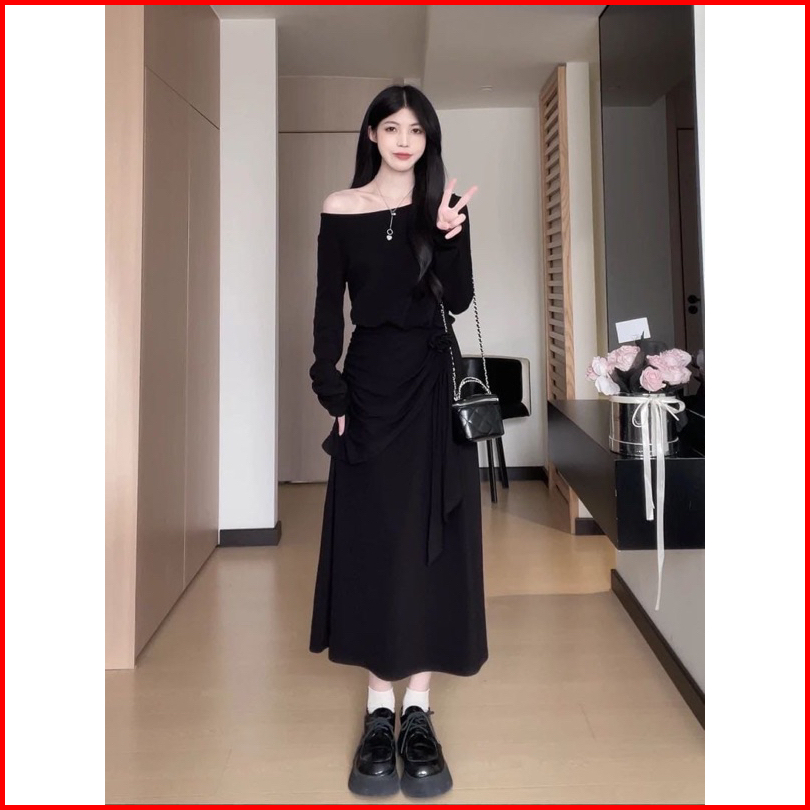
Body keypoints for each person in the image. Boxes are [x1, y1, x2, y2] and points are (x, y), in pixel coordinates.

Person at [307, 84, 488, 798]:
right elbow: (328, 308)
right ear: (373, 136)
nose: (405, 140)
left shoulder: (444, 209)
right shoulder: (340, 208)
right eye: (392, 128)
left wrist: (448, 235)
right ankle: (378, 708)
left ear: (428, 139)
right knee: (376, 539)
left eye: (417, 129)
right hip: (371, 388)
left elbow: (459, 299)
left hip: (432, 385)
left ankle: (419, 709)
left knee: (430, 538)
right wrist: (331, 389)